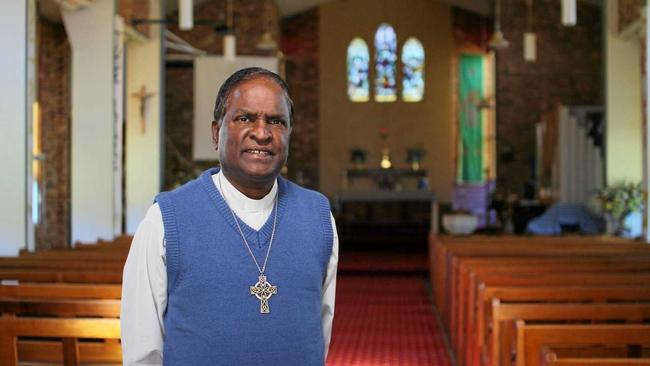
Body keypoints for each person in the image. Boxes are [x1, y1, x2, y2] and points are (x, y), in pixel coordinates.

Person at [120, 67, 339, 365]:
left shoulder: (318, 216)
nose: (262, 133)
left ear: (289, 134)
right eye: (245, 118)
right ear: (216, 132)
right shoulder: (166, 219)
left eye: (276, 121)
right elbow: (143, 351)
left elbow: (320, 330)